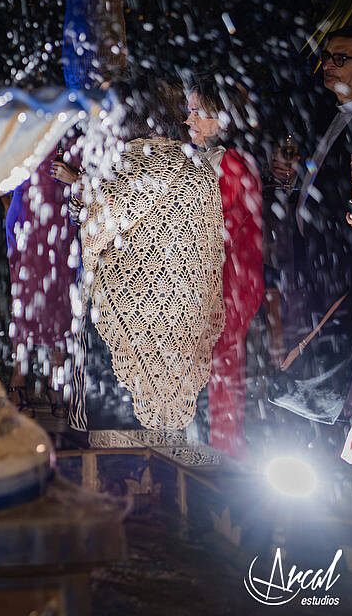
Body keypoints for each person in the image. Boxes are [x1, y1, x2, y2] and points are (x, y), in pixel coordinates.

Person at [70, 76, 225, 438]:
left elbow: (93, 238)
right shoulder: (201, 171)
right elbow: (211, 253)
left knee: (119, 456)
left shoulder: (122, 168)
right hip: (184, 326)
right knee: (179, 464)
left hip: (125, 323)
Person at [276, 27, 352, 462]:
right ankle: (315, 436)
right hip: (313, 255)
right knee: (308, 344)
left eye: (341, 59)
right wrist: (293, 184)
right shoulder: (325, 116)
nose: (328, 65)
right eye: (327, 57)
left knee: (335, 351)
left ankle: (336, 444)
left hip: (345, 259)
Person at [185, 74, 264, 459]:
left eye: (196, 112)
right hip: (215, 287)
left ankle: (226, 458)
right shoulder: (211, 160)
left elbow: (215, 233)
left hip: (228, 290)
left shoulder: (231, 165)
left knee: (223, 375)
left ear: (222, 118)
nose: (189, 120)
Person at [4, 141, 81, 417]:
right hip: (27, 213)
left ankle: (55, 379)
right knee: (24, 298)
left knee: (60, 299)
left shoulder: (78, 120)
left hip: (63, 217)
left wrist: (76, 177)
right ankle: (18, 380)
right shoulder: (31, 118)